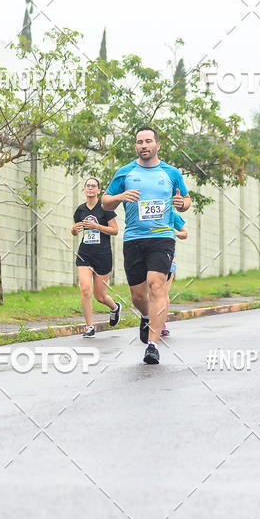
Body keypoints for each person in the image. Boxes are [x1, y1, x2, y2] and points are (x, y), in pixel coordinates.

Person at [102, 126, 190, 364]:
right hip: (133, 238)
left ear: (157, 145)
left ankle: (152, 345)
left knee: (157, 285)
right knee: (138, 295)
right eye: (140, 142)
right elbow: (105, 201)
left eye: (148, 141)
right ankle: (145, 316)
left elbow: (186, 199)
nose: (144, 145)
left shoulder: (171, 173)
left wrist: (181, 204)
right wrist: (120, 197)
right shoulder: (125, 172)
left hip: (162, 237)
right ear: (135, 146)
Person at [71, 177, 121, 337]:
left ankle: (115, 307)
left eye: (94, 186)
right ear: (84, 189)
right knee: (86, 290)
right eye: (88, 186)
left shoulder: (105, 208)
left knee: (99, 296)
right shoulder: (80, 210)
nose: (90, 188)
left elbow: (115, 230)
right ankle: (90, 327)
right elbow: (75, 229)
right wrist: (74, 229)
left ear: (99, 190)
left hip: (103, 255)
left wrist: (97, 226)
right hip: (85, 254)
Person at [161, 209, 188, 336]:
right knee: (149, 291)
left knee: (163, 291)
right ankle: (149, 320)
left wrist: (176, 232)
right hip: (147, 255)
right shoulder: (146, 212)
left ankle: (161, 323)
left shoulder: (172, 214)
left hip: (169, 256)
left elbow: (185, 233)